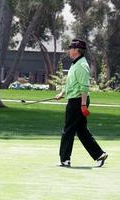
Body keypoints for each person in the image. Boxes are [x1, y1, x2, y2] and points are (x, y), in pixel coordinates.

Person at [55, 39, 108, 167]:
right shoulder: (75, 63)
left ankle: (65, 159)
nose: (69, 50)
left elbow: (84, 87)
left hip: (78, 101)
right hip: (75, 99)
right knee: (81, 130)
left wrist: (83, 105)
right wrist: (62, 93)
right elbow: (72, 82)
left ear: (76, 50)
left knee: (68, 130)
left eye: (70, 48)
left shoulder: (82, 65)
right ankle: (99, 154)